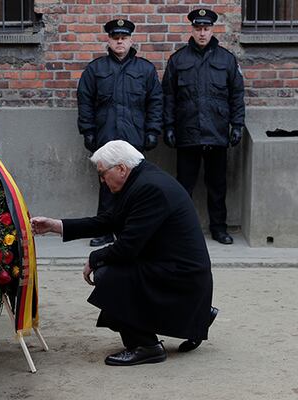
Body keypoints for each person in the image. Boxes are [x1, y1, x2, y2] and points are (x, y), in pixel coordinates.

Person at [31, 140, 217, 366]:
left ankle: (147, 346)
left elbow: (128, 248)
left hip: (181, 277)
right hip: (175, 269)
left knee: (107, 274)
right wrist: (54, 225)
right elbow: (109, 221)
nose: (101, 180)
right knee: (113, 271)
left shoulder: (149, 187)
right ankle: (195, 314)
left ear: (121, 168)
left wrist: (94, 259)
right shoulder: (142, 179)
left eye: (102, 174)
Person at [162, 8, 245, 245]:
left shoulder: (226, 60)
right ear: (192, 29)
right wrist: (168, 126)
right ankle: (181, 230)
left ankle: (219, 228)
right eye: (198, 29)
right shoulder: (178, 60)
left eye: (206, 29)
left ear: (212, 30)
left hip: (217, 133)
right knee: (183, 188)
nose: (202, 33)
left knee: (217, 186)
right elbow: (168, 96)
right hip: (187, 133)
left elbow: (236, 96)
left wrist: (237, 125)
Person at [77, 18, 163, 247]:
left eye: (124, 38)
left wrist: (153, 130)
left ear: (131, 40)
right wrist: (88, 131)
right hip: (106, 135)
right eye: (116, 38)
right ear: (109, 40)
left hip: (134, 136)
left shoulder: (144, 69)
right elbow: (85, 101)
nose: (120, 42)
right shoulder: (96, 69)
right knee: (107, 184)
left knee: (135, 184)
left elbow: (155, 101)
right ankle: (105, 231)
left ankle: (130, 230)